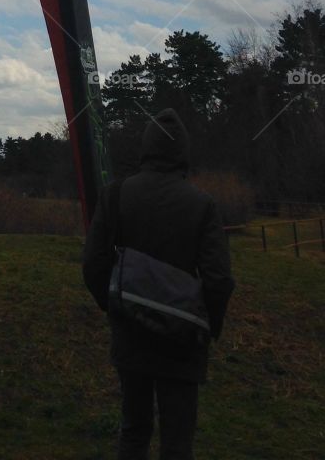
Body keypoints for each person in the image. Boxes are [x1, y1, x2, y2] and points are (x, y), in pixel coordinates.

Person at [82, 107, 235, 459]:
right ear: (183, 152)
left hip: (130, 333)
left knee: (133, 431)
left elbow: (93, 264)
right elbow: (219, 280)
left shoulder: (116, 195)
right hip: (183, 339)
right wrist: (209, 325)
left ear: (146, 148)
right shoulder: (202, 204)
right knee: (177, 441)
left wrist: (114, 304)